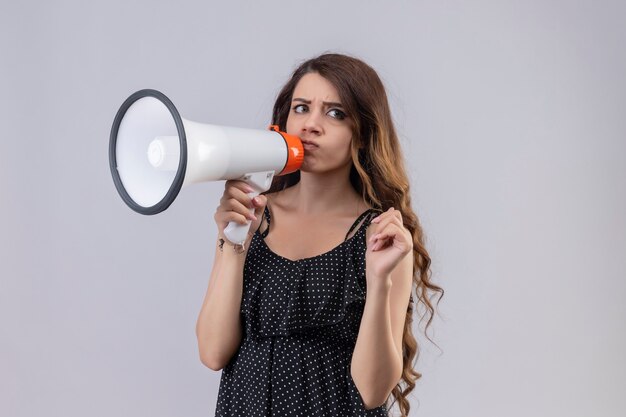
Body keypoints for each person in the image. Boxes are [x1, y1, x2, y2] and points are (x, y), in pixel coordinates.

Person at [196, 53, 444, 417]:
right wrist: (233, 243)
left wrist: (379, 281)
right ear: (283, 122)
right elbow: (213, 352)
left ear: (362, 134)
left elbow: (373, 391)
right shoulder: (253, 216)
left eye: (335, 113)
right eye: (301, 108)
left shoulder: (381, 237)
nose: (311, 125)